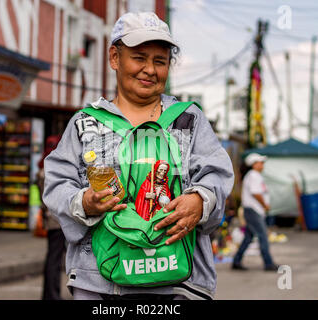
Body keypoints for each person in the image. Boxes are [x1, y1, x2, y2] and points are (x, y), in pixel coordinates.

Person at [43, 12, 234, 300]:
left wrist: (200, 200)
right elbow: (57, 184)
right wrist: (84, 202)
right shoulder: (86, 123)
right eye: (139, 58)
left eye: (160, 61)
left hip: (179, 283)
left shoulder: (188, 119)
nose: (150, 70)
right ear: (114, 58)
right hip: (99, 284)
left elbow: (216, 175)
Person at [232, 153, 279, 271]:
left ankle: (236, 261)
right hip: (253, 210)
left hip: (252, 210)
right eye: (261, 163)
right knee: (263, 236)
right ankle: (268, 263)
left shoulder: (253, 175)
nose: (263, 165)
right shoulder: (254, 175)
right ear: (254, 164)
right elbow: (256, 193)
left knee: (248, 237)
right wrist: (265, 205)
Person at [38, 135, 66, 300]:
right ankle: (52, 295)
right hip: (58, 219)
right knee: (55, 259)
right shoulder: (53, 169)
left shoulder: (42, 169)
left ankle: (49, 294)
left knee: (53, 257)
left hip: (50, 219)